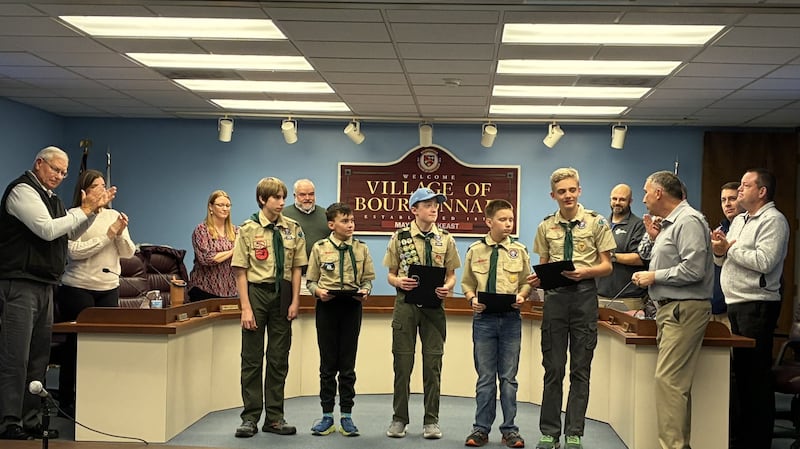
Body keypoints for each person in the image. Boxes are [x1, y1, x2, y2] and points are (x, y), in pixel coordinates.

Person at [0, 146, 113, 440]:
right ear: (39, 164)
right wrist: (86, 209)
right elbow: (47, 230)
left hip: (45, 284)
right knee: (16, 356)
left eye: (64, 172)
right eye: (55, 170)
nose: (60, 177)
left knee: (38, 357)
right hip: (19, 283)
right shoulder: (22, 192)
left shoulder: (52, 199)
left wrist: (94, 211)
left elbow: (70, 232)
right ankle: (8, 421)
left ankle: (31, 418)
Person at [526, 167, 615, 449]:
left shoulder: (597, 223)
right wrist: (538, 279)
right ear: (553, 195)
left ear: (580, 191)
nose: (568, 195)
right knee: (553, 369)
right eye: (561, 191)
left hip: (584, 297)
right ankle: (550, 432)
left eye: (572, 190)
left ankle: (574, 431)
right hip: (555, 300)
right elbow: (542, 263)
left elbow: (607, 266)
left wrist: (585, 272)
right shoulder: (545, 226)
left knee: (580, 369)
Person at [631, 170, 712, 449]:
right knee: (674, 387)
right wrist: (654, 240)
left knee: (669, 384)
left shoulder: (688, 221)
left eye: (645, 192)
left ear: (659, 193)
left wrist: (653, 277)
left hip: (684, 310)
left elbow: (694, 270)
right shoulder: (668, 225)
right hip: (670, 311)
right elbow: (676, 260)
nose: (643, 199)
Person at [711, 169, 789, 449]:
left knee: (755, 379)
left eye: (745, 186)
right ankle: (740, 438)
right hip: (735, 302)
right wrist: (720, 250)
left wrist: (728, 249)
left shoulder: (774, 220)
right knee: (739, 377)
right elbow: (724, 262)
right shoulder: (741, 220)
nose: (740, 191)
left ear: (762, 191)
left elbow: (765, 261)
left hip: (757, 304)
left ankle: (757, 441)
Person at [54, 169, 136, 417]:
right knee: (76, 346)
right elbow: (73, 252)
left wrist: (119, 233)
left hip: (108, 288)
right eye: (96, 187)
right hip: (77, 288)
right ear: (85, 191)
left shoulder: (114, 215)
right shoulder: (73, 216)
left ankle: (100, 396)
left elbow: (128, 253)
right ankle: (66, 400)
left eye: (104, 186)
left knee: (104, 346)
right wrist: (107, 235)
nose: (103, 190)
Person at [231, 177, 307, 438]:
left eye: (283, 197)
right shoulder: (248, 229)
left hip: (283, 294)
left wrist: (296, 300)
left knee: (278, 358)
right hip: (256, 293)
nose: (281, 203)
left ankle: (274, 417)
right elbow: (240, 271)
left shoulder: (293, 229)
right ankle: (250, 417)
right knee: (251, 359)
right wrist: (245, 308)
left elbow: (297, 268)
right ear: (263, 199)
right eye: (276, 198)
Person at [383, 187, 460, 439]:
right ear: (414, 209)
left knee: (433, 364)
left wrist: (447, 288)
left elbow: (451, 275)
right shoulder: (400, 236)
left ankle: (431, 420)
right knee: (402, 364)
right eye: (428, 204)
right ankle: (399, 419)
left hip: (434, 308)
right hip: (406, 305)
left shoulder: (446, 238)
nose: (434, 208)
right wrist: (399, 282)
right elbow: (390, 273)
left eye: (437, 204)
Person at [461, 199, 531, 448]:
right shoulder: (475, 250)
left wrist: (523, 295)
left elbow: (527, 281)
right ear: (489, 222)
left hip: (511, 320)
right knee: (485, 378)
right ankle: (480, 429)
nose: (508, 224)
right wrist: (471, 299)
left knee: (509, 379)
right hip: (484, 321)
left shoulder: (519, 251)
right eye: (503, 219)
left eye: (511, 220)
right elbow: (467, 283)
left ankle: (510, 429)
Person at [305, 202, 376, 437]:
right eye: (345, 221)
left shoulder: (361, 249)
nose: (350, 225)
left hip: (351, 307)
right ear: (331, 224)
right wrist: (318, 292)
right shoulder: (319, 248)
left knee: (347, 365)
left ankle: (346, 415)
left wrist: (365, 290)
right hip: (327, 306)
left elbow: (367, 279)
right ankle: (327, 416)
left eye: (352, 220)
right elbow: (311, 280)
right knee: (327, 365)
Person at [596, 184, 647, 311]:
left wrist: (610, 256)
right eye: (614, 199)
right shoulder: (601, 224)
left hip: (628, 299)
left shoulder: (638, 225)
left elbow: (640, 258)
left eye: (622, 199)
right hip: (599, 296)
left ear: (630, 201)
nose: (617, 203)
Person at [188, 190, 239, 301]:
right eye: (220, 205)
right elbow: (207, 259)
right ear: (211, 207)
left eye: (228, 205)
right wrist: (233, 251)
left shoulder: (236, 231)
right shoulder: (202, 230)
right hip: (204, 290)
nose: (225, 209)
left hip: (231, 291)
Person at [282, 179, 328, 294]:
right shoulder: (283, 215)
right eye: (302, 194)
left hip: (322, 278)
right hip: (293, 277)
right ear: (294, 195)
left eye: (311, 194)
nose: (307, 198)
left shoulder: (326, 215)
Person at [710, 181, 741, 328]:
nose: (727, 204)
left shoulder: (747, 229)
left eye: (732, 199)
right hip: (712, 306)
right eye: (724, 200)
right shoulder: (719, 230)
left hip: (733, 307)